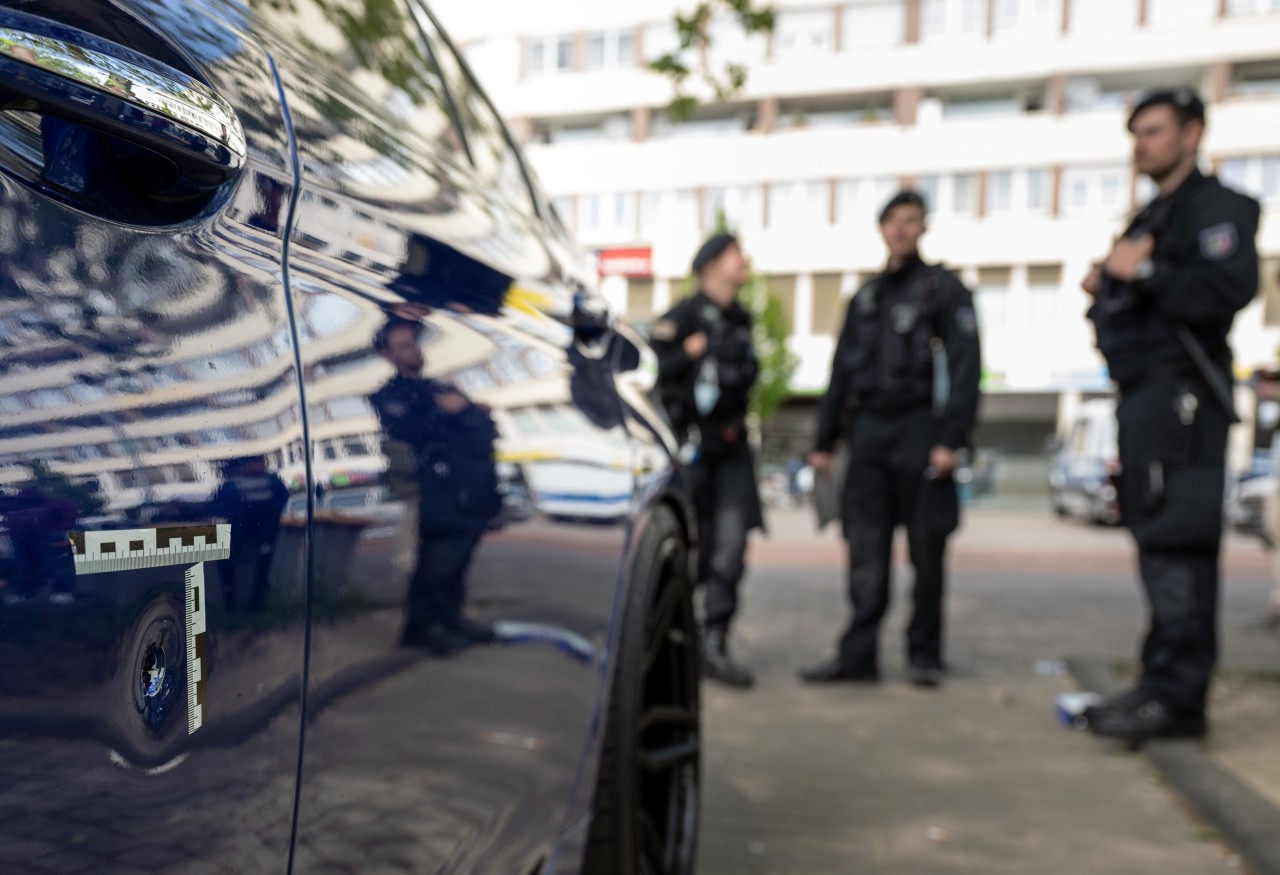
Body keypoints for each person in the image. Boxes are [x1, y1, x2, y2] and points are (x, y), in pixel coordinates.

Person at [1080, 89, 1260, 742]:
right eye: (1136, 134)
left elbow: (1226, 290)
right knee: (1156, 545)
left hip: (1184, 401)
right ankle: (1160, 685)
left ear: (1193, 133)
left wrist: (1145, 268)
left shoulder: (1219, 207)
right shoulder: (1151, 213)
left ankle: (1180, 701)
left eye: (1153, 131)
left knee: (1179, 546)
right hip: (1144, 401)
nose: (1142, 144)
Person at [801, 191, 981, 688]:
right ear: (881, 229)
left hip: (921, 431)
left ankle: (924, 655)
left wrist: (950, 438)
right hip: (869, 434)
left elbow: (966, 369)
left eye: (910, 221)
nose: (900, 230)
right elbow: (840, 371)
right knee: (865, 548)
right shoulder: (866, 296)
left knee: (927, 549)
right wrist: (823, 440)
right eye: (892, 222)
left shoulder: (944, 289)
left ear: (923, 227)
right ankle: (858, 655)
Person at [650, 233, 764, 688]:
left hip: (732, 449)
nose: (745, 263)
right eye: (737, 255)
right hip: (690, 451)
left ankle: (714, 642)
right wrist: (685, 353)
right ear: (712, 264)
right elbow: (652, 373)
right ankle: (670, 642)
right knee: (687, 549)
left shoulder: (742, 320)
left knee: (731, 550)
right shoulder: (680, 318)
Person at [371, 318, 502, 654]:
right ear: (387, 354)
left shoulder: (438, 388)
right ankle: (421, 626)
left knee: (460, 556)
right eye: (401, 345)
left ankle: (449, 617)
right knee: (436, 559)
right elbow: (410, 433)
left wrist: (465, 409)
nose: (412, 351)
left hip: (470, 487)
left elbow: (485, 429)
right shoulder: (390, 395)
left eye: (412, 343)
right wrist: (457, 412)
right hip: (436, 490)